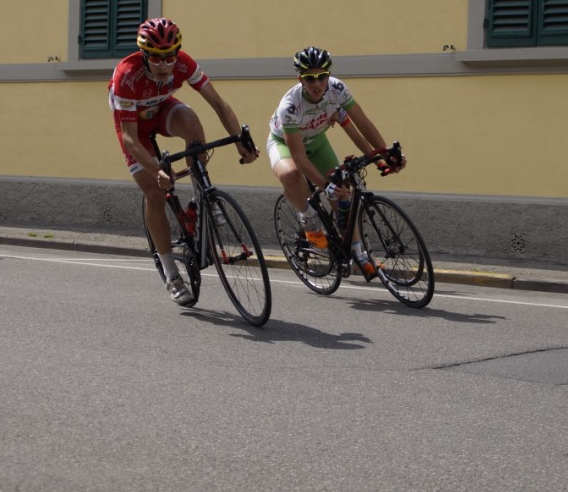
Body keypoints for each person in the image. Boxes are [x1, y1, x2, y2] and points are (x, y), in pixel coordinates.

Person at [108, 18, 258, 306]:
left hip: (161, 108)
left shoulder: (183, 63)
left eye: (169, 56)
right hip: (134, 128)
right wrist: (156, 171)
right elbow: (129, 139)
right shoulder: (126, 76)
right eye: (156, 57)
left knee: (193, 125)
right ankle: (171, 273)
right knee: (154, 191)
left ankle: (197, 201)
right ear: (143, 54)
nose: (164, 65)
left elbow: (219, 103)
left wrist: (240, 139)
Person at [267, 46, 405, 279]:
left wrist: (384, 155)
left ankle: (359, 255)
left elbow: (361, 124)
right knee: (291, 175)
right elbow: (299, 157)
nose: (317, 83)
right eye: (310, 78)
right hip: (284, 144)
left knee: (343, 195)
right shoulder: (290, 106)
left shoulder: (337, 91)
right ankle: (308, 219)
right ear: (300, 79)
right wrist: (324, 185)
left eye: (322, 76)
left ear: (328, 76)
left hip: (318, 142)